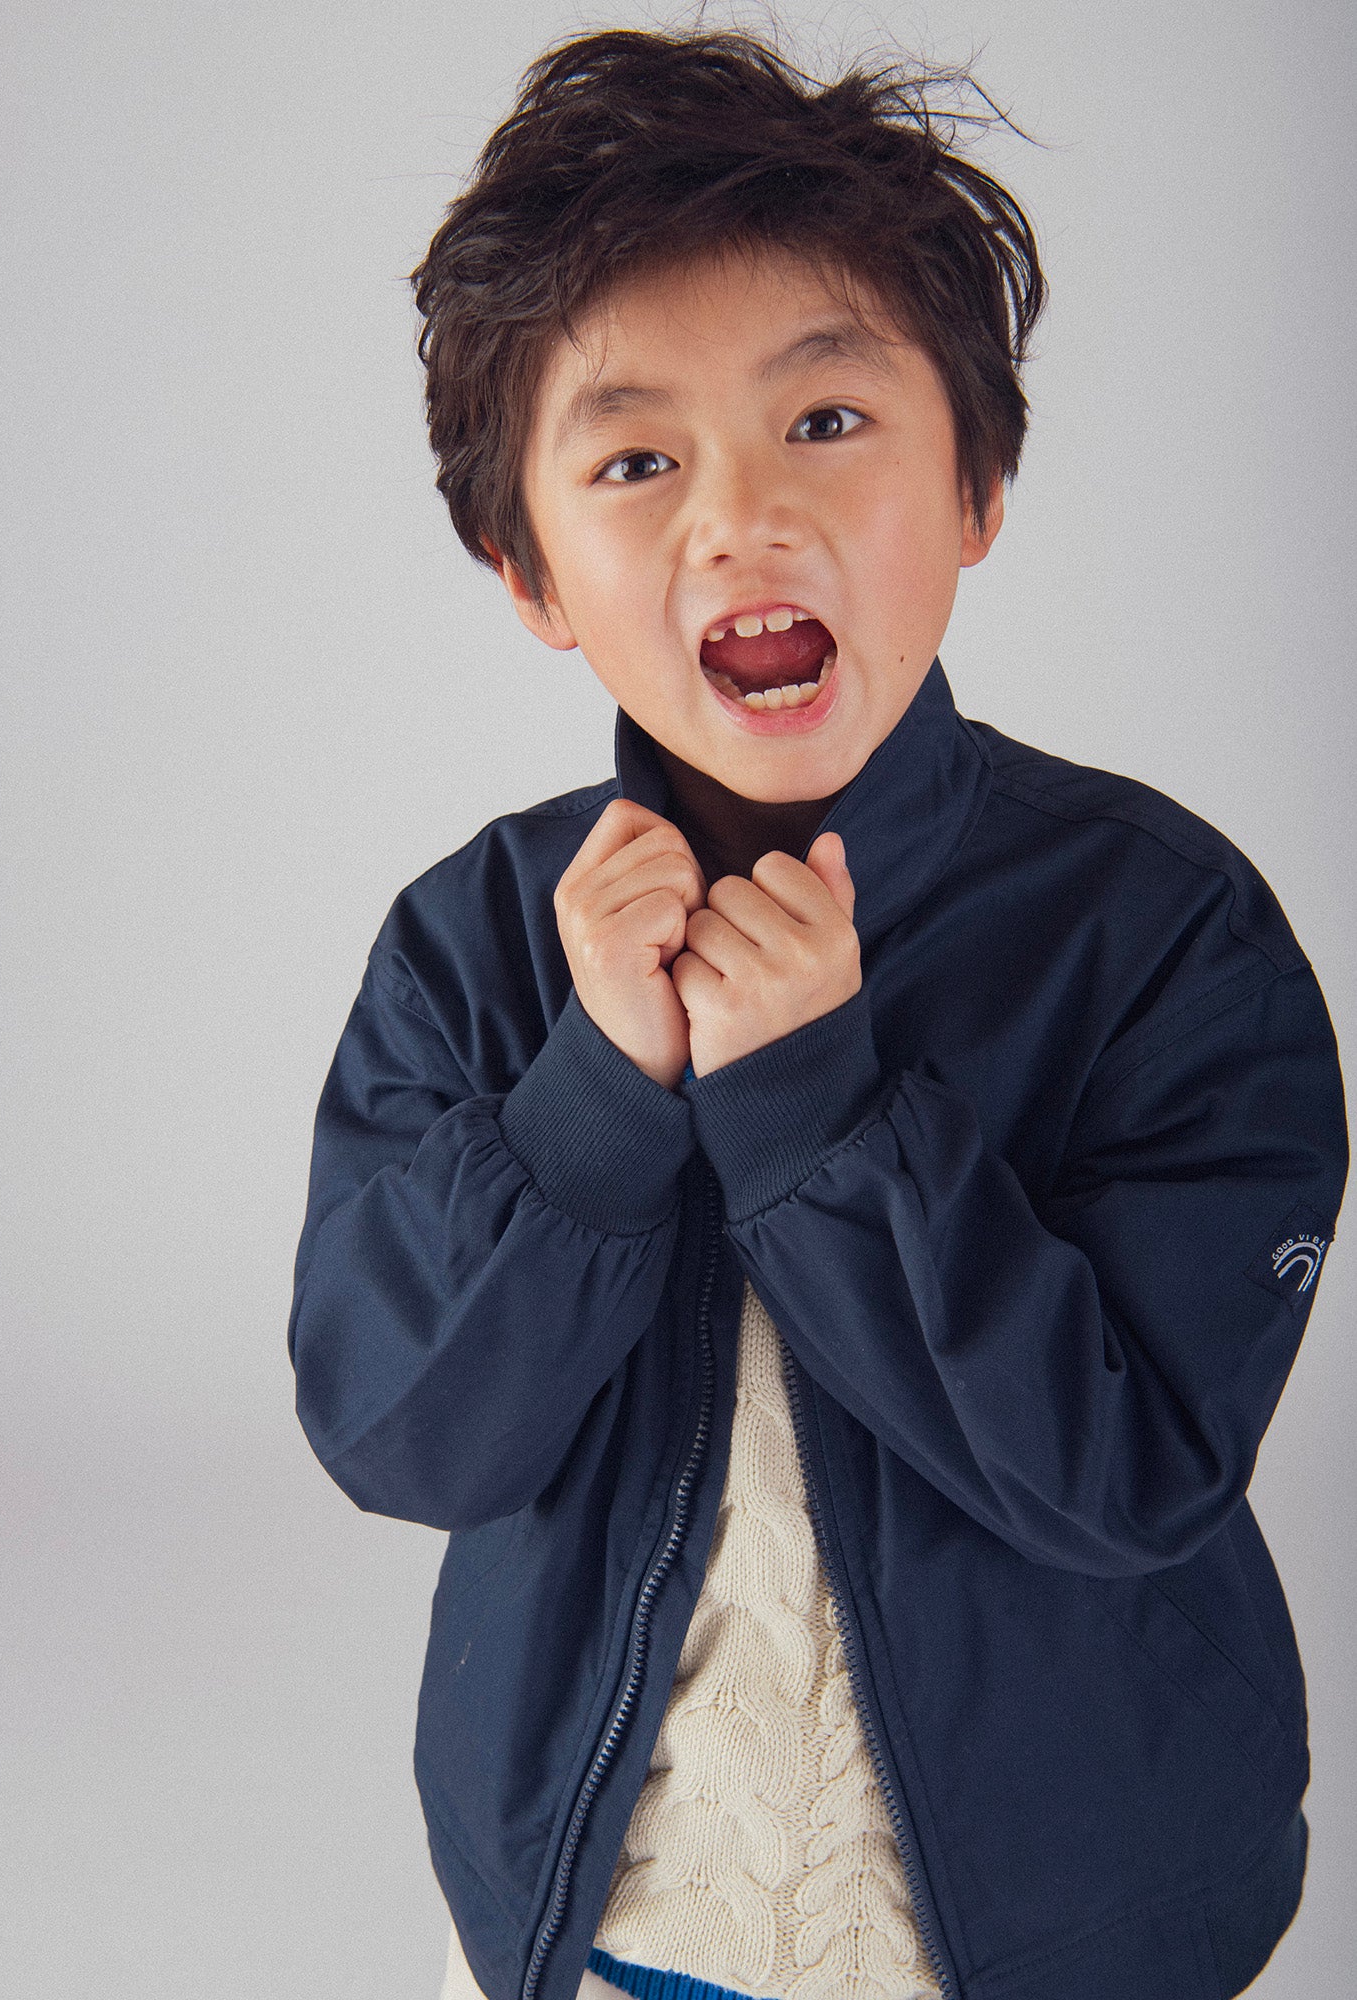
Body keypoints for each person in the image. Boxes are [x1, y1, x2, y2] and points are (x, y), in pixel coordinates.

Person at [286, 26, 1348, 2000]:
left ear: (979, 485)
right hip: (597, 1928)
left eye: (829, 423)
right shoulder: (477, 945)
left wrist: (820, 1111)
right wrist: (596, 1093)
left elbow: (1128, 1470)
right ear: (531, 571)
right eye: (633, 458)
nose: (738, 517)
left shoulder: (1166, 933)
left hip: (1067, 1935)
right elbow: (402, 1434)